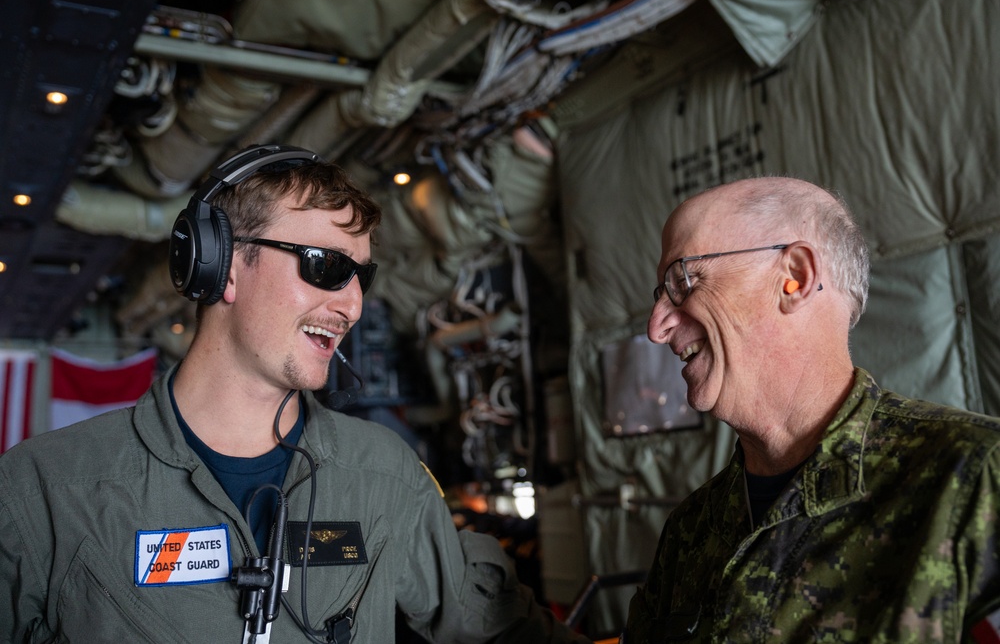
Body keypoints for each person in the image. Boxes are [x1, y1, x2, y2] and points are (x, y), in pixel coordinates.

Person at [0, 144, 589, 644]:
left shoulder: (383, 474)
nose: (353, 305)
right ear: (222, 265)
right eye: (326, 266)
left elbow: (494, 624)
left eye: (362, 277)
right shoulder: (44, 491)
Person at [624, 176, 1000, 643]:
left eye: (683, 280)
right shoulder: (691, 530)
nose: (656, 327)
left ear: (795, 278)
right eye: (660, 293)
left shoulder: (974, 479)